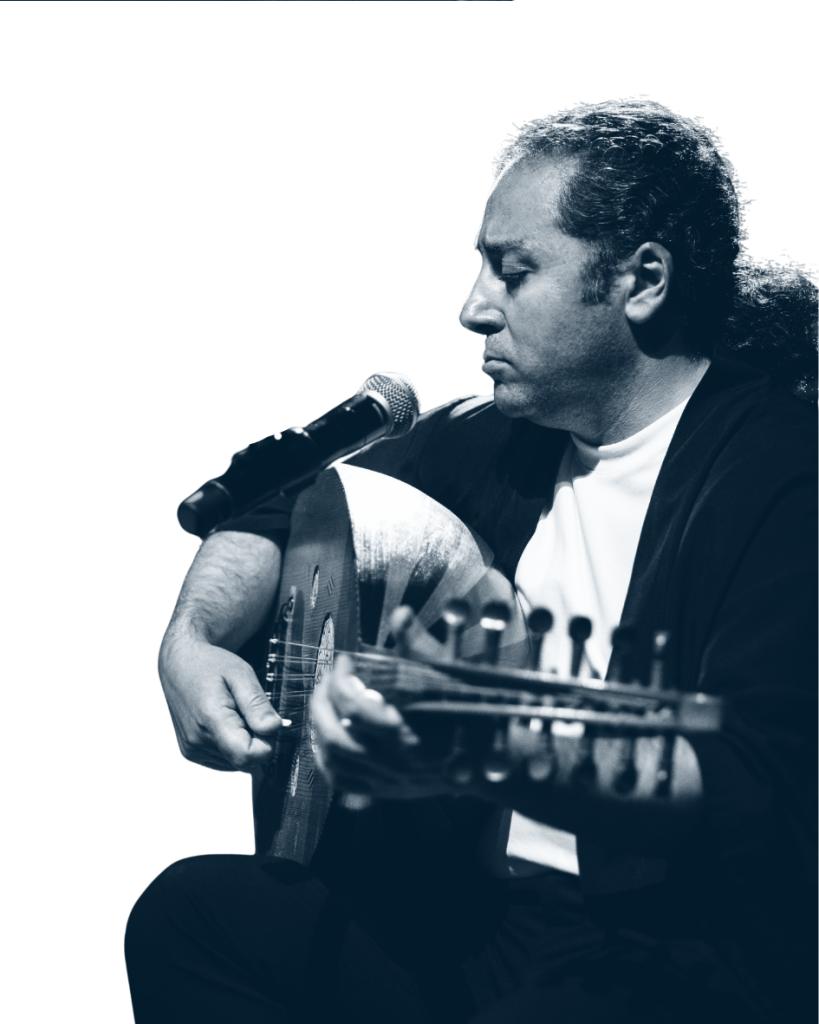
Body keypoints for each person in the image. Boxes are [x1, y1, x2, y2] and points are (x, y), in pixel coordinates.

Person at [125, 98, 818, 1023]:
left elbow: (742, 778)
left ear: (641, 280)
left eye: (513, 271)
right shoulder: (492, 437)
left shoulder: (781, 473)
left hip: (670, 944)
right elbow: (281, 509)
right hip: (476, 918)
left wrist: (482, 742)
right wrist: (195, 639)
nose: (471, 308)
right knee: (191, 915)